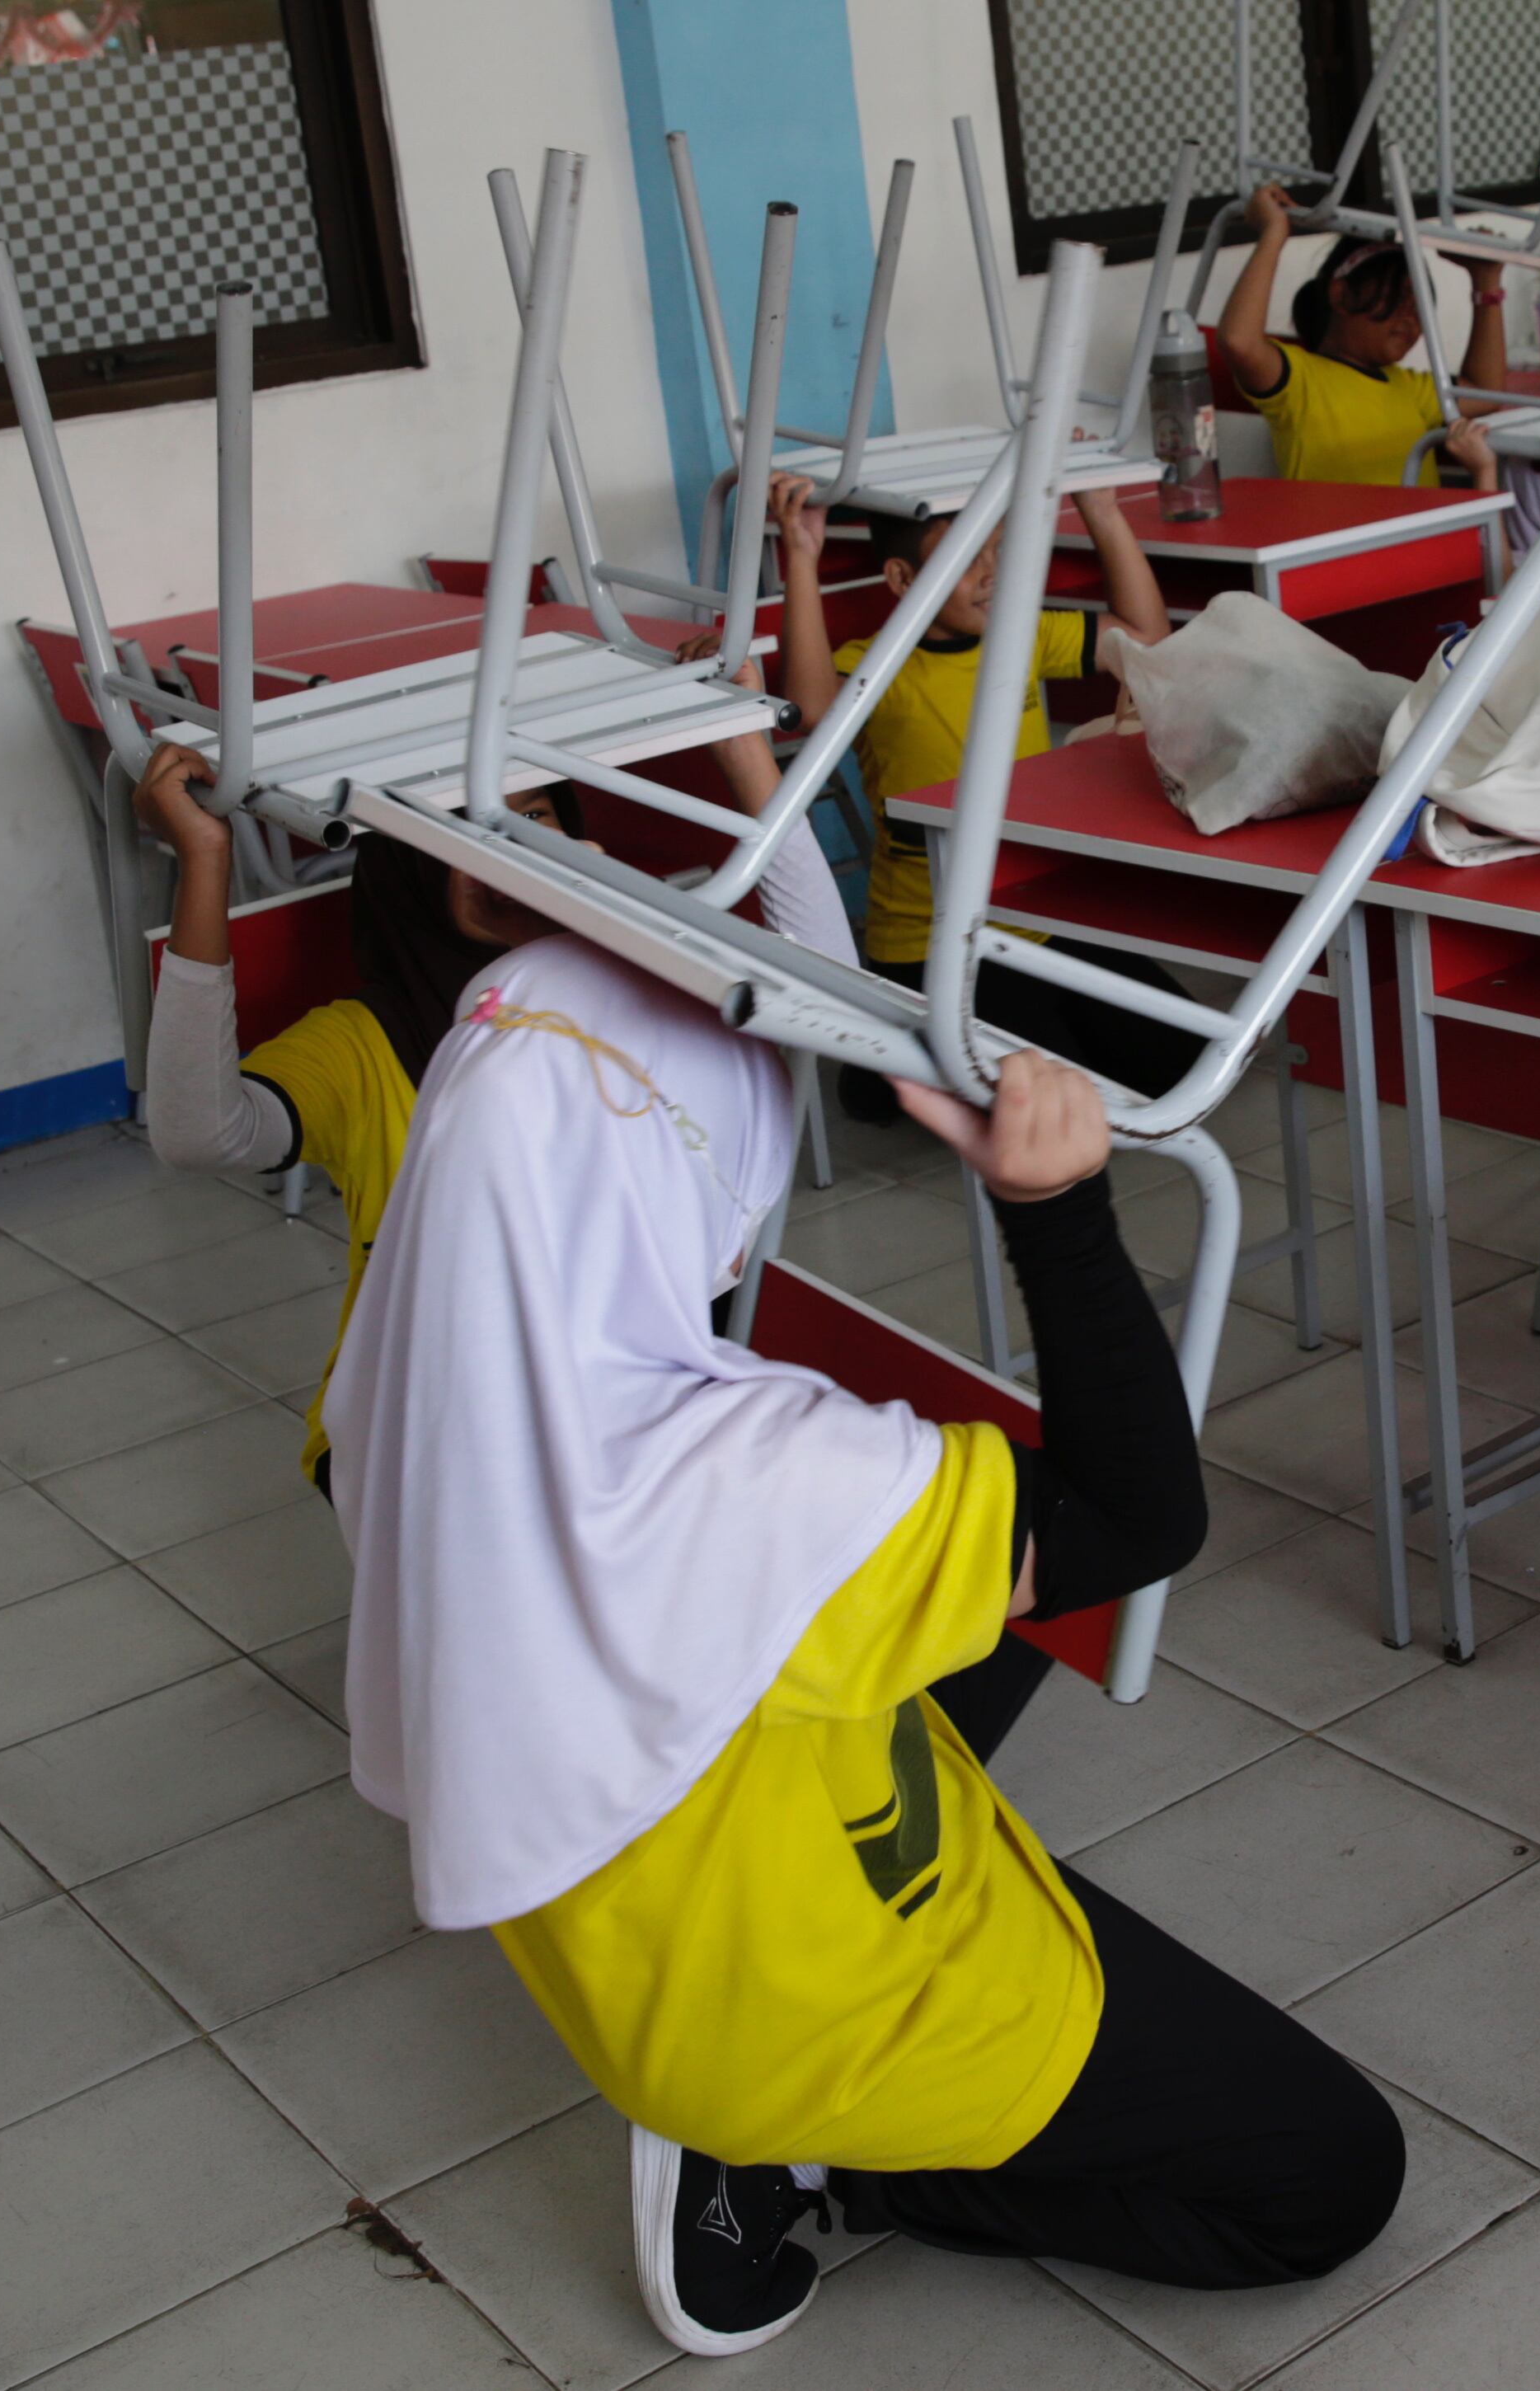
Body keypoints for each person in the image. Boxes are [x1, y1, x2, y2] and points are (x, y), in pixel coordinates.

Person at [329, 947, 1402, 2360]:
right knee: (1332, 2175)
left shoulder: (396, 1383)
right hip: (815, 2011)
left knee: (993, 1597)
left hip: (650, 1949)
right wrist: (1056, 1213)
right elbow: (1142, 1516)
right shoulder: (755, 1481)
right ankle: (814, 2161)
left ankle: (758, 2118)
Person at [134, 641, 846, 1489]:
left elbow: (829, 980)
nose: (505, 843)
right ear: (405, 861)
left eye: (534, 813)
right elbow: (198, 1135)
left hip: (638, 1404)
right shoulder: (374, 1042)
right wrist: (205, 863)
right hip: (426, 1424)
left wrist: (741, 743)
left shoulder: (660, 987)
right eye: (462, 821)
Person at [768, 472, 1199, 1119]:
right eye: (969, 561)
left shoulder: (1019, 634)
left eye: (997, 552)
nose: (993, 572)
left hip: (1041, 922)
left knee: (1185, 1065)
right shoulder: (880, 663)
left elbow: (1149, 639)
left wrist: (1104, 514)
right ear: (903, 582)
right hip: (935, 949)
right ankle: (878, 1073)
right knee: (1044, 1103)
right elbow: (806, 710)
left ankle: (919, 1064)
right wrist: (801, 558)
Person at [1214, 184, 1512, 486]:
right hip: (1344, 534)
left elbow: (1486, 391)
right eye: (1397, 298)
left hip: (1421, 533)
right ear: (1341, 294)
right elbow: (1239, 342)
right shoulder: (1300, 381)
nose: (1410, 319)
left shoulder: (1409, 387)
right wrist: (1273, 233)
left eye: (1419, 307)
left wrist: (1486, 282)